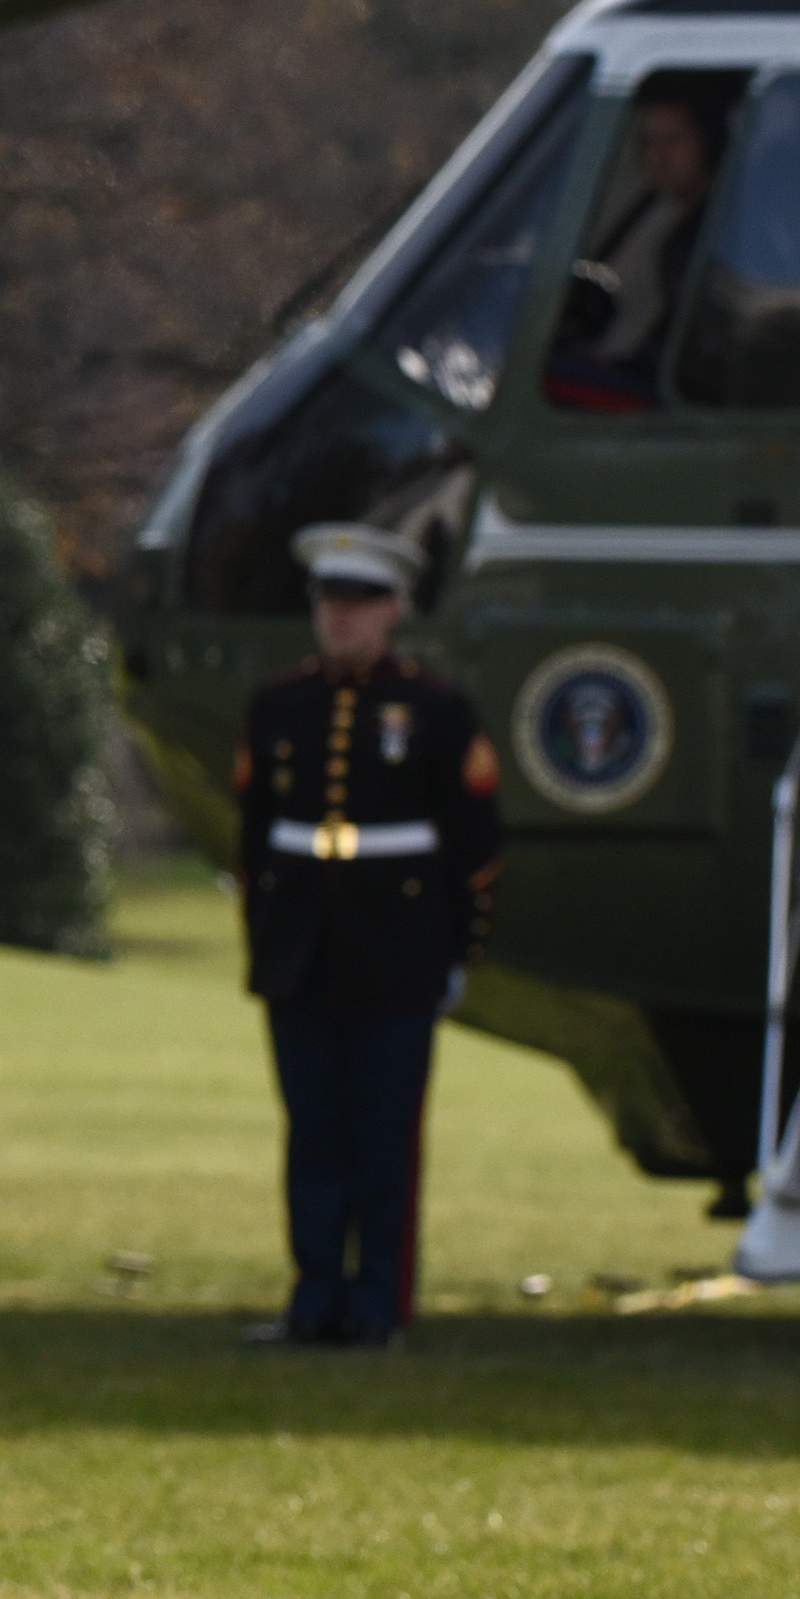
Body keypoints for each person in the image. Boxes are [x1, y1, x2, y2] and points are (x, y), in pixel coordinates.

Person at [232, 523, 499, 1349]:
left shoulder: (436, 710)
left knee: (383, 1138)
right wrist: (265, 941)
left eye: (359, 603)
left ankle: (378, 1301)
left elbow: (474, 846)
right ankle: (314, 1296)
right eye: (328, 602)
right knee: (313, 1132)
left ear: (394, 610)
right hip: (303, 949)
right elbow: (253, 838)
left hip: (397, 950)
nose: (340, 619)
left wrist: (457, 950)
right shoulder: (278, 705)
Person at [543, 78, 728, 413]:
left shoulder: (709, 232)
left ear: (710, 142)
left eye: (673, 141)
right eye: (649, 143)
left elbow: (687, 345)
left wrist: (619, 365)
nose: (659, 156)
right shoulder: (676, 218)